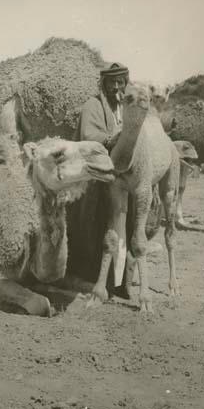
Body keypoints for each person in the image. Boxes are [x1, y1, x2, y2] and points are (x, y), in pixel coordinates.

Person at [67, 62, 130, 292]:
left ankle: (118, 281)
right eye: (112, 82)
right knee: (92, 225)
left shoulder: (124, 109)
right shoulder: (92, 105)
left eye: (120, 82)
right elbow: (89, 135)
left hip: (118, 179)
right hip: (93, 177)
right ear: (104, 84)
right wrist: (114, 136)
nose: (116, 87)